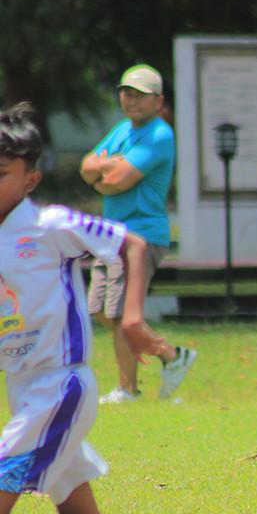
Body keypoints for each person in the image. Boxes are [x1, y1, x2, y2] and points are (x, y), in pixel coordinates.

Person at [0, 104, 190, 514]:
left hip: (59, 387)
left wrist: (130, 318)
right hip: (25, 392)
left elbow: (129, 242)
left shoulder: (49, 225)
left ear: (29, 178)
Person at [80, 64, 196, 404]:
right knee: (99, 309)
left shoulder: (159, 134)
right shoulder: (121, 130)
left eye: (141, 95)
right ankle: (172, 356)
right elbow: (85, 166)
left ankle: (128, 390)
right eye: (127, 93)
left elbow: (116, 183)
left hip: (141, 237)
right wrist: (104, 166)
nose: (132, 101)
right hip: (112, 235)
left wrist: (104, 171)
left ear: (158, 101)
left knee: (117, 314)